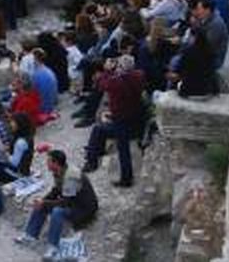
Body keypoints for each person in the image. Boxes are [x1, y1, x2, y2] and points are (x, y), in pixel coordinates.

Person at [15, 150, 98, 257]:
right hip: (72, 202)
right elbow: (56, 190)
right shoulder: (59, 171)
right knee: (41, 202)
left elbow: (66, 202)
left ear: (56, 163)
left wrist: (45, 203)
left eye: (49, 161)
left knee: (57, 211)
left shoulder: (71, 177)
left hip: (83, 208)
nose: (46, 163)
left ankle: (53, 246)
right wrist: (42, 200)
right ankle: (30, 235)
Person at [84, 54, 145, 188]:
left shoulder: (117, 82)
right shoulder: (139, 76)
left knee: (100, 130)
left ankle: (93, 161)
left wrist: (107, 70)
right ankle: (95, 153)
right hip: (135, 119)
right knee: (102, 130)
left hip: (122, 121)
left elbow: (101, 85)